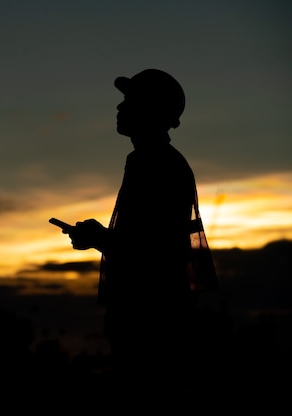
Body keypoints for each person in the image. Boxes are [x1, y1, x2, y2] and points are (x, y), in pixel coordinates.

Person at [62, 68, 217, 399]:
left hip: (149, 316)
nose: (119, 108)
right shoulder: (155, 160)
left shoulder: (154, 163)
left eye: (129, 101)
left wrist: (99, 238)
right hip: (154, 312)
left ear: (149, 110)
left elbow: (153, 250)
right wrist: (100, 237)